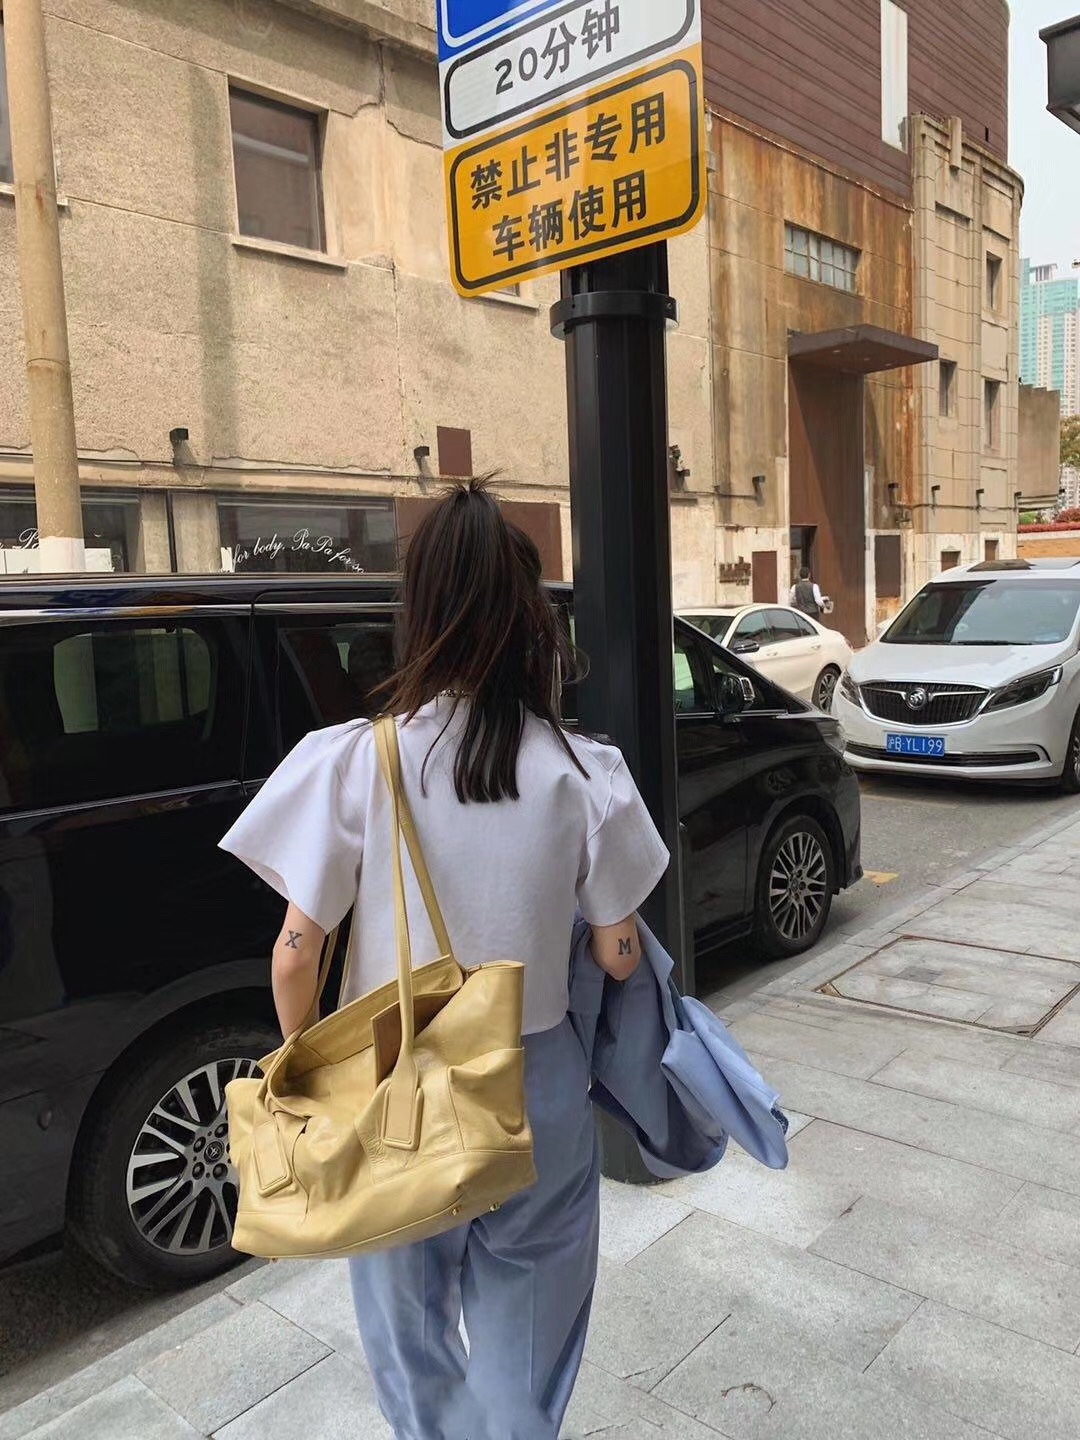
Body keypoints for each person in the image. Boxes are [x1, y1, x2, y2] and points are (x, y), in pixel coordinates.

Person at [219, 479, 669, 1440]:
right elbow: (620, 953)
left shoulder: (356, 762)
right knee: (531, 1327)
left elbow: (295, 955)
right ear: (528, 617)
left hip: (390, 1076)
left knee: (408, 1329)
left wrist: (307, 1068)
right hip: (535, 1081)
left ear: (418, 610)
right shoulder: (583, 771)